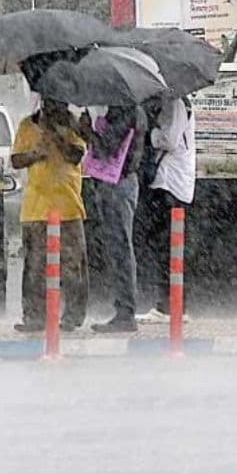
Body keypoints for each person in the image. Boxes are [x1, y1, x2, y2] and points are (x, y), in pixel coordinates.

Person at [11, 97, 89, 333]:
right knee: (35, 266)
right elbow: (16, 160)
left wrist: (55, 133)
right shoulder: (28, 125)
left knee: (72, 266)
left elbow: (75, 155)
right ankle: (34, 316)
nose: (54, 107)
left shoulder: (74, 125)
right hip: (37, 207)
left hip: (68, 205)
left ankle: (72, 317)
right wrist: (35, 154)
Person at [79, 103, 147, 333]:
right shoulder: (129, 111)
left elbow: (107, 148)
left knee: (120, 247)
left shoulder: (126, 112)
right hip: (117, 183)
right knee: (118, 247)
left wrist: (89, 132)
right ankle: (123, 308)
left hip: (118, 184)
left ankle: (126, 311)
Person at [136, 94, 197, 324]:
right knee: (168, 246)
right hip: (174, 182)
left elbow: (169, 140)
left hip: (170, 182)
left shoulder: (175, 103)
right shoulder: (177, 102)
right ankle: (172, 303)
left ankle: (171, 306)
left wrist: (150, 133)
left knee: (168, 246)